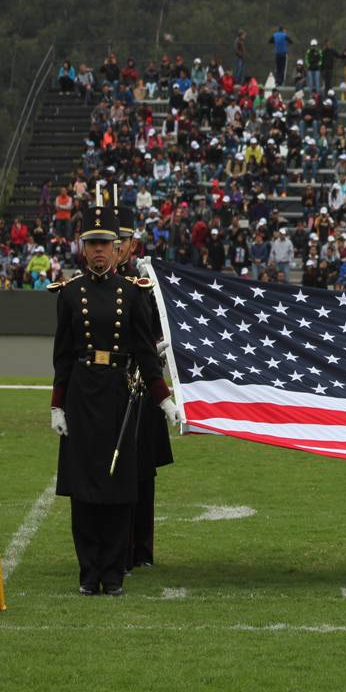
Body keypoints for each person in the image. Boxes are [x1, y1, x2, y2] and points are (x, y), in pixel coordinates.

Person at [48, 202, 180, 596]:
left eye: (106, 243)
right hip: (82, 395)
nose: (100, 251)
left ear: (118, 247)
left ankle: (114, 572)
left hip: (120, 395)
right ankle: (89, 572)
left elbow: (144, 354)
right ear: (82, 247)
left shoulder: (133, 293)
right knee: (85, 487)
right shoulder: (69, 294)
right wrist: (57, 404)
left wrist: (165, 401)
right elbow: (63, 356)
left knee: (119, 486)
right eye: (93, 244)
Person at [116, 206, 174, 571]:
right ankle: (117, 547)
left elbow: (158, 328)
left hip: (142, 385)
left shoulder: (146, 283)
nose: (116, 247)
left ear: (132, 244)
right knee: (113, 470)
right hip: (110, 386)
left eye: (120, 241)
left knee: (142, 473)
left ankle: (142, 550)